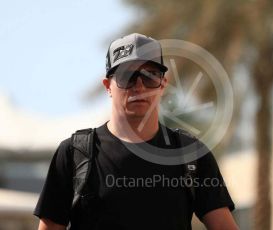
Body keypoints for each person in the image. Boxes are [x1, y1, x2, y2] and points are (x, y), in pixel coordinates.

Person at [34, 33, 239, 230]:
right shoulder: (74, 153)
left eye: (150, 76)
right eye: (127, 76)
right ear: (108, 86)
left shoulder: (190, 154)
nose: (139, 86)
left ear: (162, 84)